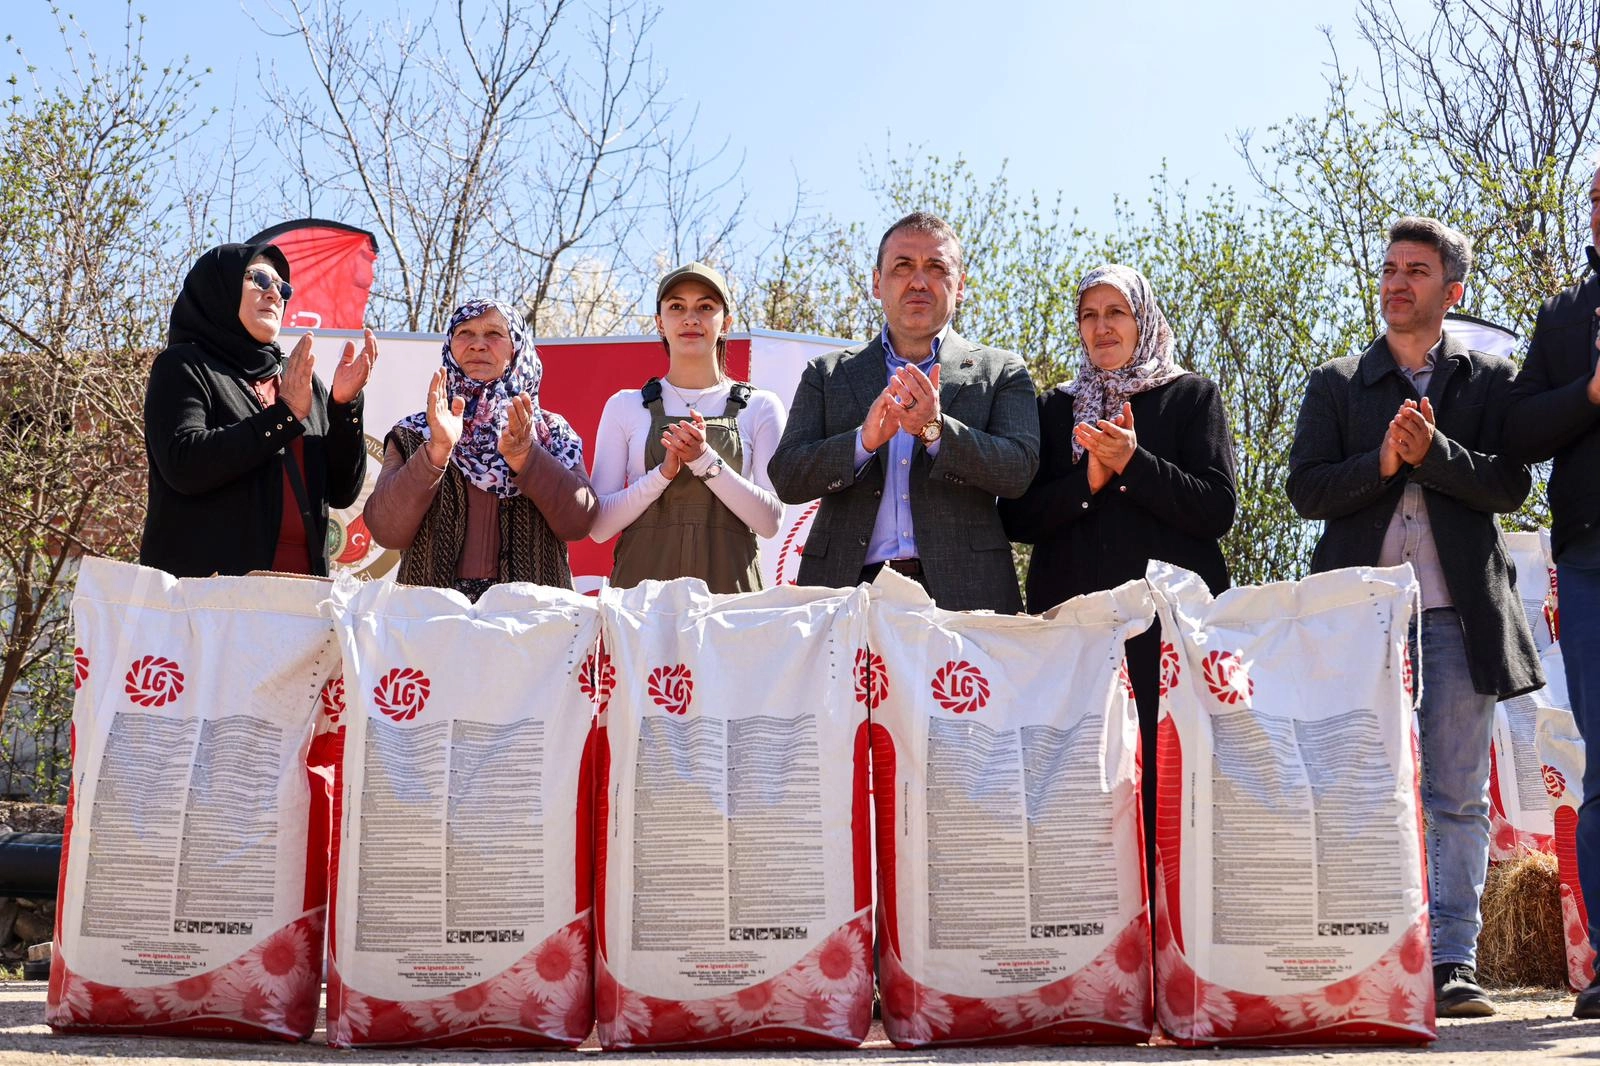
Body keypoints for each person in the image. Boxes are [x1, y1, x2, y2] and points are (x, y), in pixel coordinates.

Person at [1287, 216, 1542, 1017]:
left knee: (1457, 795)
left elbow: (1508, 487)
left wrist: (1435, 456)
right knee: (1356, 788)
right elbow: (1306, 490)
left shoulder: (1489, 382)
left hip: (1459, 619)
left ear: (1452, 291)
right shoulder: (1337, 383)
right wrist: (1386, 463)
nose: (1397, 281)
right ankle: (1365, 957)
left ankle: (1450, 962)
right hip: (1358, 629)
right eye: (1390, 268)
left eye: (1417, 270)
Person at [998, 263, 1236, 897]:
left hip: (1165, 632)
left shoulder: (1190, 398)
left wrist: (1133, 463)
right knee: (1076, 778)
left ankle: (1174, 932)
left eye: (1115, 314)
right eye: (1089, 316)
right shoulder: (1054, 410)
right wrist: (1088, 484)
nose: (1101, 329)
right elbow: (1018, 517)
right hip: (1074, 630)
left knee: (1166, 777)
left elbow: (1216, 508)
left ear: (1143, 319)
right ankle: (1092, 939)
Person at [767, 211, 1039, 612]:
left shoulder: (1001, 370)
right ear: (877, 283)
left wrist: (936, 431)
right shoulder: (827, 373)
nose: (918, 281)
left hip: (968, 596)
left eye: (936, 267)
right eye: (903, 266)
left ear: (960, 286)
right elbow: (787, 477)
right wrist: (862, 443)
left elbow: (1018, 471)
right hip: (843, 595)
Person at [1502, 164, 1600, 1019]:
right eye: (1598, 196)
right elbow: (1520, 429)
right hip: (1593, 556)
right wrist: (1591, 392)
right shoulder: (1567, 317)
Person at [141, 241, 377, 578]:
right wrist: (283, 418)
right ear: (219, 288)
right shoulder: (184, 366)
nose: (274, 294)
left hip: (303, 593)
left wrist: (344, 406)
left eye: (282, 287)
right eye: (259, 280)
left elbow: (342, 491)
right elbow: (184, 464)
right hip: (211, 597)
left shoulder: (299, 380)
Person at [363, 299, 596, 599]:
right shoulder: (415, 432)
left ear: (517, 347)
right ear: (450, 345)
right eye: (465, 333)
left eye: (494, 334)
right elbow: (386, 530)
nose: (477, 345)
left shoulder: (550, 433)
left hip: (532, 625)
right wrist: (436, 451)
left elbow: (579, 522)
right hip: (430, 623)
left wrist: (527, 456)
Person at [588, 262, 785, 592]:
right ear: (660, 323)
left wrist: (705, 461)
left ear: (726, 324)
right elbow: (599, 526)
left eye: (706, 307)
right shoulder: (624, 405)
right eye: (677, 306)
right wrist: (662, 474)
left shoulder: (760, 406)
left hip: (731, 611)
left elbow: (770, 521)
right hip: (641, 610)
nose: (691, 318)